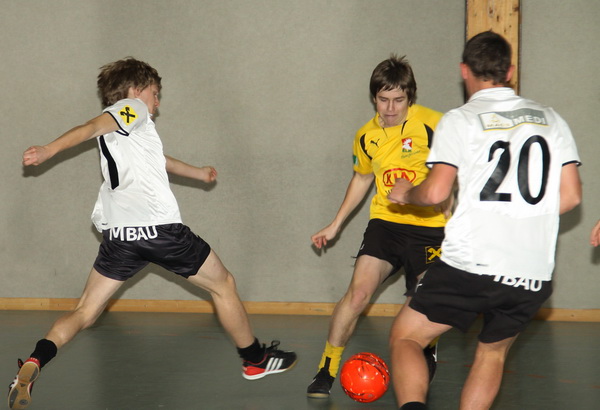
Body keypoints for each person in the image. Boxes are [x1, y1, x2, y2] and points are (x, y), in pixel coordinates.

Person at [8, 58, 297, 410]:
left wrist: (198, 173)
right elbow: (91, 126)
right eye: (155, 94)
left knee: (84, 311)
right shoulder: (131, 109)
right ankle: (255, 360)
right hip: (159, 230)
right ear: (136, 90)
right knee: (224, 285)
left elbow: (159, 160)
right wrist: (49, 149)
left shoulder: (129, 133)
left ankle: (36, 360)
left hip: (120, 237)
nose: (157, 103)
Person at [387, 31, 582, 410]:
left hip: (472, 262)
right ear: (509, 70)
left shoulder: (460, 120)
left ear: (464, 71)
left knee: (407, 338)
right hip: (531, 271)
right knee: (491, 353)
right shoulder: (551, 119)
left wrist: (406, 194)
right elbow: (571, 196)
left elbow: (436, 192)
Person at [307, 55, 450, 398]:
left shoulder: (435, 124)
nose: (390, 109)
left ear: (410, 96)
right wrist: (335, 224)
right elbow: (361, 179)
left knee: (423, 300)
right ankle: (327, 367)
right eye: (383, 100)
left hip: (430, 227)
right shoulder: (365, 136)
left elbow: (455, 174)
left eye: (398, 100)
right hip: (386, 224)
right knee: (357, 294)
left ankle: (426, 349)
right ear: (374, 98)